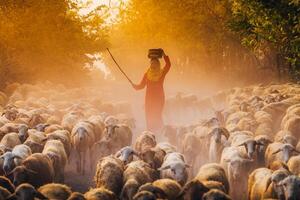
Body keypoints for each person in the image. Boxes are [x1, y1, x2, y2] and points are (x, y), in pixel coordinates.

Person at [132, 49, 171, 132]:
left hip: (159, 98)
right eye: (152, 63)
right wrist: (134, 86)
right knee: (149, 116)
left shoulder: (161, 72)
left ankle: (160, 132)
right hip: (149, 99)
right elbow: (141, 86)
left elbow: (168, 65)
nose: (153, 65)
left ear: (158, 64)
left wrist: (164, 55)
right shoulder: (147, 74)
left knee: (157, 115)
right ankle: (151, 134)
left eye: (155, 63)